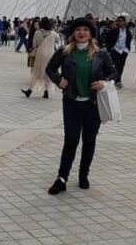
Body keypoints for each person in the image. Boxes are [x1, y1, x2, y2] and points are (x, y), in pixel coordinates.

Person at [45, 18, 116, 195]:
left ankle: (84, 174)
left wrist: (103, 82)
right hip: (71, 103)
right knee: (70, 140)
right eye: (78, 30)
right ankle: (62, 178)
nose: (81, 32)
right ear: (73, 33)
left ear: (91, 33)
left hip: (93, 105)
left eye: (85, 29)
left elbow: (114, 72)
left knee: (89, 140)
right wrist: (58, 80)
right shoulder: (64, 52)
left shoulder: (101, 53)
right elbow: (49, 69)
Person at [22, 17, 60, 99]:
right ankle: (46, 92)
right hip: (50, 54)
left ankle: (29, 91)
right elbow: (58, 40)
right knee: (47, 73)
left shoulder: (38, 32)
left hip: (40, 54)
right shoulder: (53, 33)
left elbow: (34, 44)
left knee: (36, 72)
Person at [105, 15, 131, 89]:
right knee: (115, 66)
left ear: (124, 22)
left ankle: (118, 80)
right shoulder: (113, 31)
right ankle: (117, 81)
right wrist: (110, 49)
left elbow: (129, 40)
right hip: (115, 50)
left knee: (121, 66)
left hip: (124, 51)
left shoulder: (127, 31)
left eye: (121, 21)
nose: (120, 22)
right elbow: (107, 40)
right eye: (118, 21)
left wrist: (128, 49)